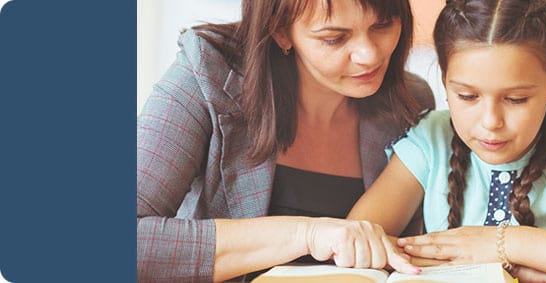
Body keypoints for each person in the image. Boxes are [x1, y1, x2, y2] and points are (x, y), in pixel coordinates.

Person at [347, 0, 546, 281]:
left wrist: (505, 243)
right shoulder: (428, 140)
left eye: (516, 99)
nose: (490, 122)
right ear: (444, 80)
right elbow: (356, 237)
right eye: (467, 96)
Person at [136, 0, 434, 281]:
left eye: (382, 25)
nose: (369, 54)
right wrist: (308, 235)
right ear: (280, 30)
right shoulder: (208, 73)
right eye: (334, 38)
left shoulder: (408, 104)